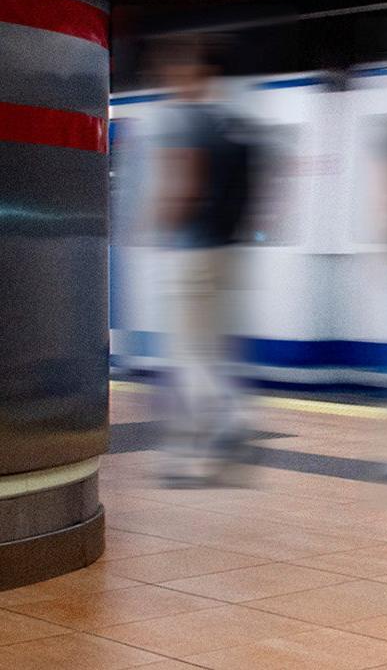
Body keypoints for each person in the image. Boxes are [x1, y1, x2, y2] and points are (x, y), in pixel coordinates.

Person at [151, 34, 256, 485]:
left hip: (192, 251)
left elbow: (185, 183)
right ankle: (220, 422)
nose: (170, 81)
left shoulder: (184, 122)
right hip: (229, 253)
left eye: (175, 73)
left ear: (190, 75)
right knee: (211, 349)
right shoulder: (233, 124)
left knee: (188, 352)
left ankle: (210, 434)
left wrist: (160, 224)